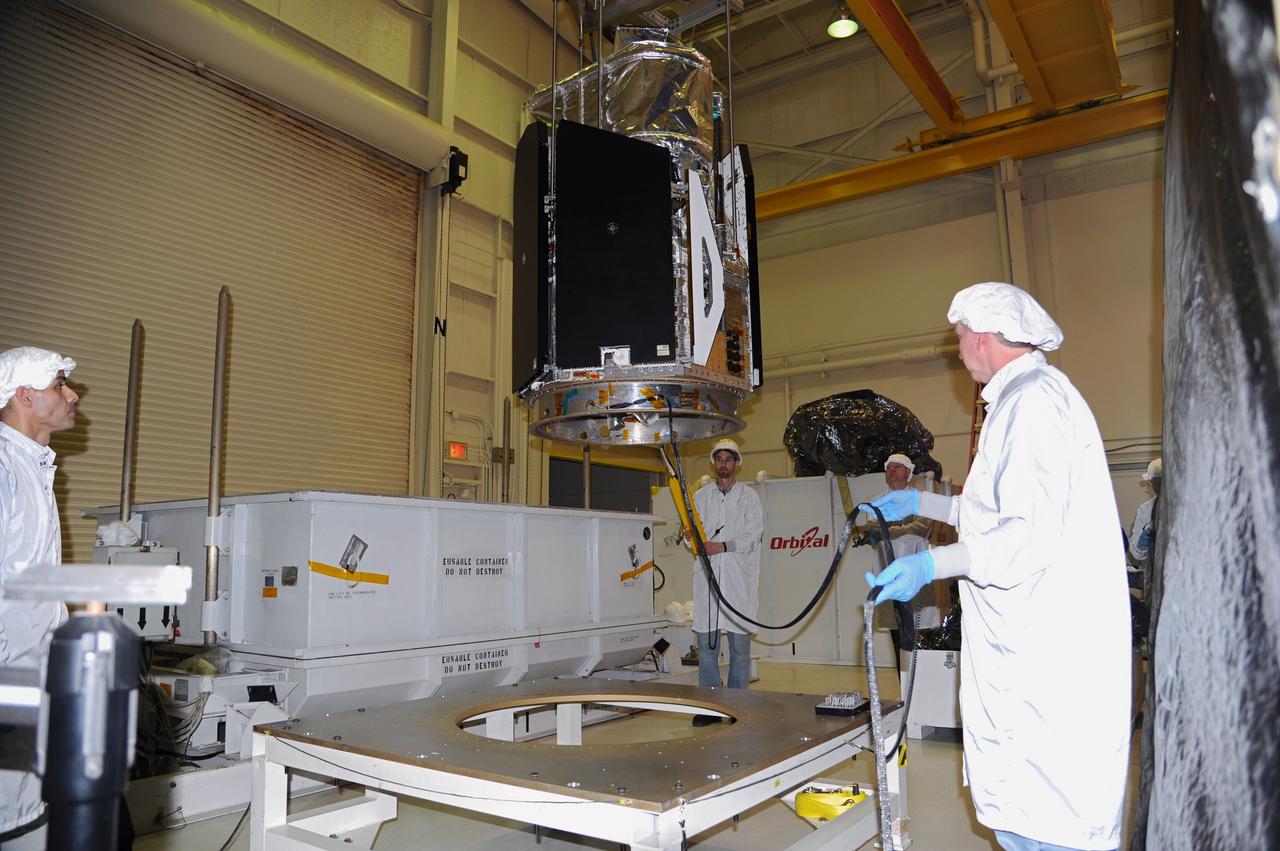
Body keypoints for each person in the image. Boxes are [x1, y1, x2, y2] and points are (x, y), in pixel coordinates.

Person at [867, 283, 1131, 851]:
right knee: (1023, 815)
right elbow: (990, 512)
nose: (957, 348)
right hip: (1027, 659)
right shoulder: (1019, 400)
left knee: (1046, 821)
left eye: (960, 336)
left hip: (1045, 668)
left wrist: (931, 563)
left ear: (982, 337)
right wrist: (923, 503)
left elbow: (1022, 539)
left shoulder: (1034, 404)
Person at [0, 347, 77, 850]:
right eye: (59, 386)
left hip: (33, 675)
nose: (72, 396)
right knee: (15, 814)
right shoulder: (6, 468)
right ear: (25, 395)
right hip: (10, 680)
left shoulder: (34, 467)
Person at [687, 438, 762, 725]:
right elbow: (694, 537)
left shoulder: (749, 498)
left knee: (740, 649)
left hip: (738, 580)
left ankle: (738, 706)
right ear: (713, 463)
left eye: (728, 459)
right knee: (706, 648)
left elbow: (753, 535)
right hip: (707, 580)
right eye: (719, 459)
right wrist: (690, 538)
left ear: (737, 463)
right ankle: (709, 707)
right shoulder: (701, 497)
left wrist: (723, 546)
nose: (723, 465)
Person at [1128, 458, 1161, 564]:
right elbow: (1136, 553)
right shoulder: (1146, 509)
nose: (1157, 487)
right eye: (1154, 483)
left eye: (1160, 482)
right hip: (1156, 571)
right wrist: (1140, 545)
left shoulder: (1184, 506)